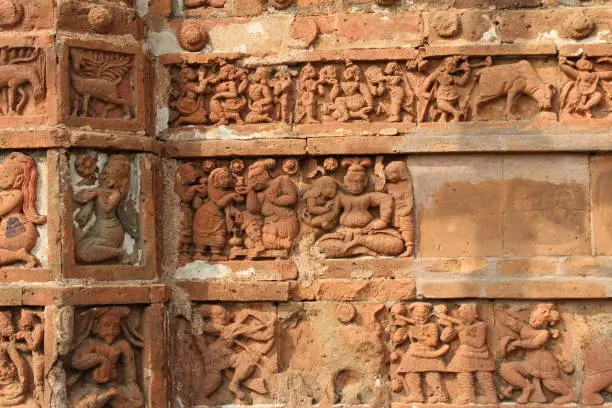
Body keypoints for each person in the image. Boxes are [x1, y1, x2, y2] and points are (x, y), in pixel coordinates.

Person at [497, 304, 576, 404]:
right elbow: (512, 323)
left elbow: (534, 344)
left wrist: (517, 344)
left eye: (539, 320)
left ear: (545, 322)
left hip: (543, 363)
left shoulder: (544, 333)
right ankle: (526, 387)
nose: (534, 321)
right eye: (533, 318)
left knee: (550, 384)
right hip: (529, 362)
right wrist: (500, 313)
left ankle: (569, 394)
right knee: (506, 369)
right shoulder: (524, 327)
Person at [0, 153, 46, 268]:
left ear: (18, 180)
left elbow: (2, 210)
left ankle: (20, 255)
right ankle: (20, 255)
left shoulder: (17, 194)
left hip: (17, 231)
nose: (1, 179)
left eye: (5, 177)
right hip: (8, 229)